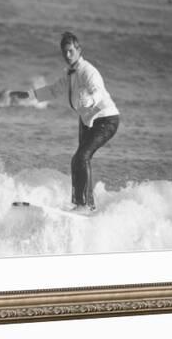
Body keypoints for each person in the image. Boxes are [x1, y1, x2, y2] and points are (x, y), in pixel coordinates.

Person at [11, 32, 120, 211]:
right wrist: (30, 95)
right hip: (87, 120)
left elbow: (98, 90)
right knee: (78, 160)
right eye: (64, 52)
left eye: (70, 51)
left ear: (78, 50)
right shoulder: (69, 74)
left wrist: (91, 100)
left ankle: (82, 205)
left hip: (106, 119)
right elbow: (54, 90)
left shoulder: (87, 70)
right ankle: (86, 204)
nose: (67, 55)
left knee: (81, 157)